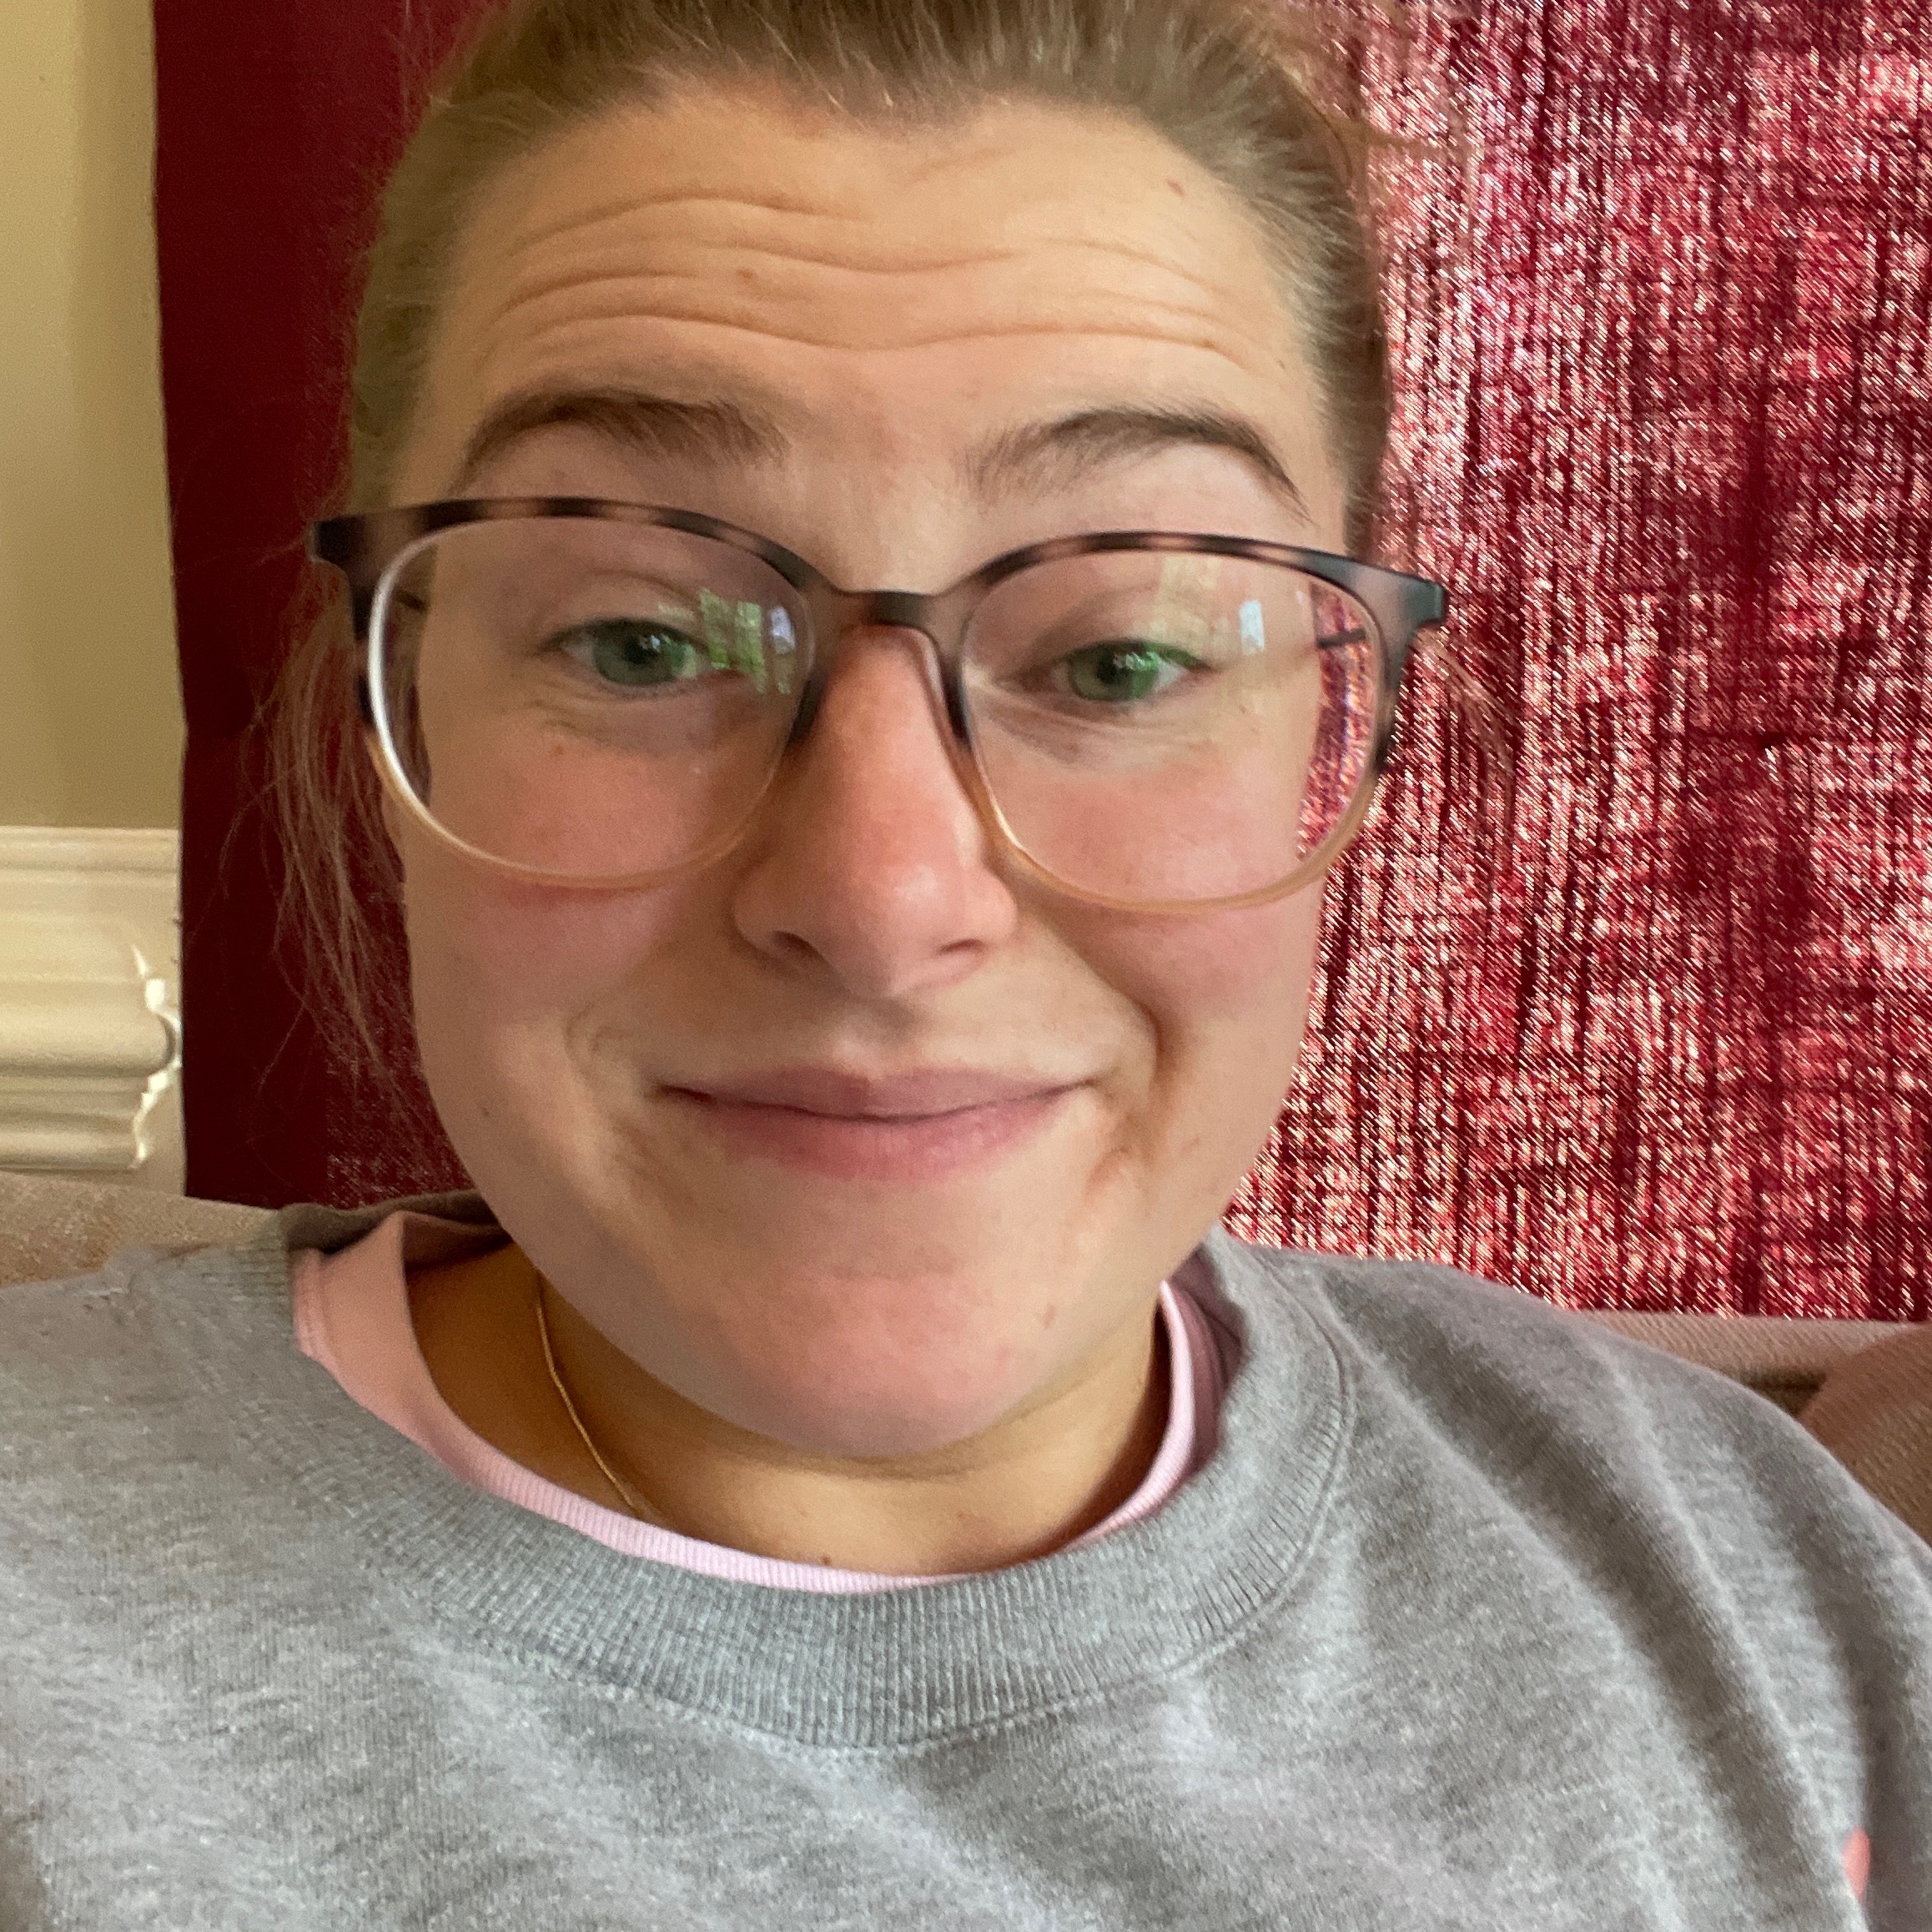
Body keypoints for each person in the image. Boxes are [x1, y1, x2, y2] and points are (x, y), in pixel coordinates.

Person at [2, 0, 1927, 1924]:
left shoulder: (1767, 1592)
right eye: (642, 642)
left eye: (1119, 659)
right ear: (392, 711)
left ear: (1332, 739)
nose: (881, 895)